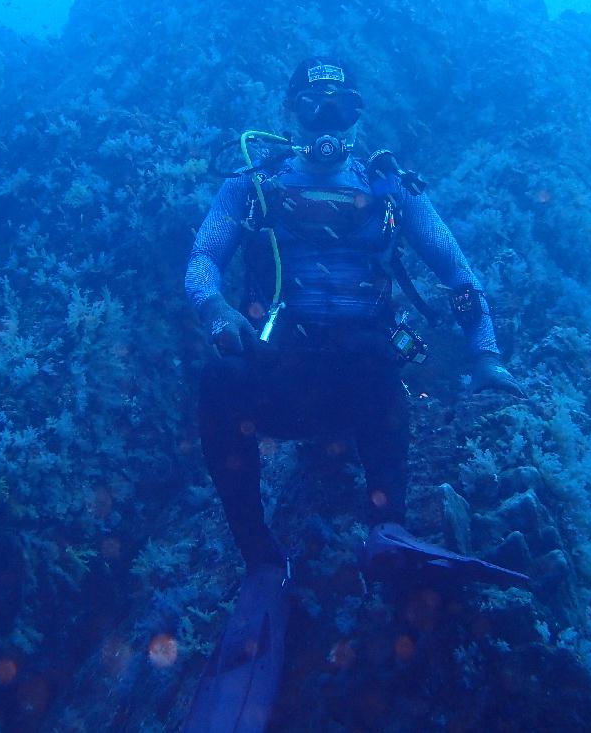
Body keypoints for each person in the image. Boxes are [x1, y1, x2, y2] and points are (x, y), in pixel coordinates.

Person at [181, 58, 526, 732]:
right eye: (314, 107)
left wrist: (486, 354)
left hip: (363, 384)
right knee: (219, 380)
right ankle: (260, 556)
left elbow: (457, 270)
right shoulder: (251, 185)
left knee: (378, 361)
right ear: (290, 112)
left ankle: (386, 525)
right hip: (282, 381)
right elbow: (202, 260)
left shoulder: (391, 188)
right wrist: (218, 314)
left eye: (342, 109)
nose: (328, 123)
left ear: (359, 114)